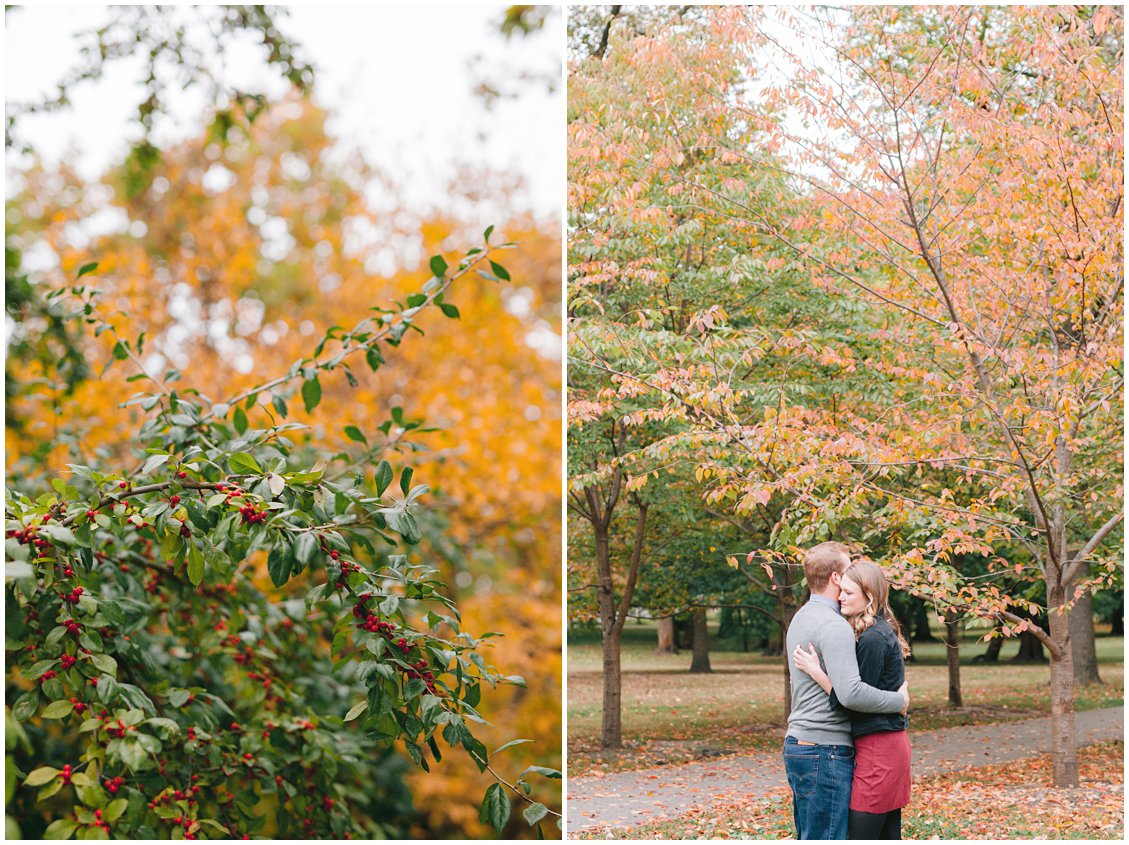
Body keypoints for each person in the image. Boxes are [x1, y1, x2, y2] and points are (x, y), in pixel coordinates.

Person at [776, 541, 908, 841]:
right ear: (836, 578)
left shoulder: (801, 617)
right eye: (848, 570)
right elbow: (851, 695)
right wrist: (899, 700)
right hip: (825, 749)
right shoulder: (835, 626)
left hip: (800, 743)